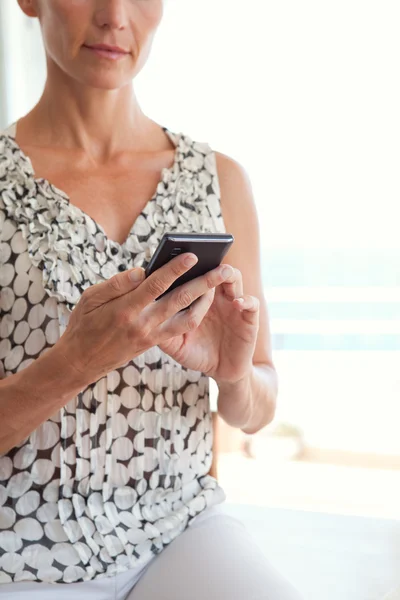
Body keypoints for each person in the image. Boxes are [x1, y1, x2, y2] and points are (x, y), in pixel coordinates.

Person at [0, 1, 304, 598]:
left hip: (179, 531)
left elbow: (257, 406)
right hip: (21, 552)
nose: (116, 16)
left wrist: (234, 377)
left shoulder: (218, 178)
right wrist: (78, 360)